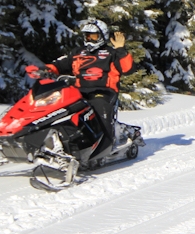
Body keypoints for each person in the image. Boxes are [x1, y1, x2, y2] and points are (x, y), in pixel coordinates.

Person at [26, 19, 135, 152]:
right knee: (57, 107)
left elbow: (127, 69)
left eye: (93, 36)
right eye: (87, 36)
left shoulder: (111, 53)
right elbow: (60, 65)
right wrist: (44, 70)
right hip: (78, 91)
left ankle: (105, 145)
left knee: (99, 106)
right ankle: (61, 141)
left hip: (103, 92)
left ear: (102, 36)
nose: (89, 39)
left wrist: (120, 49)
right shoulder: (78, 53)